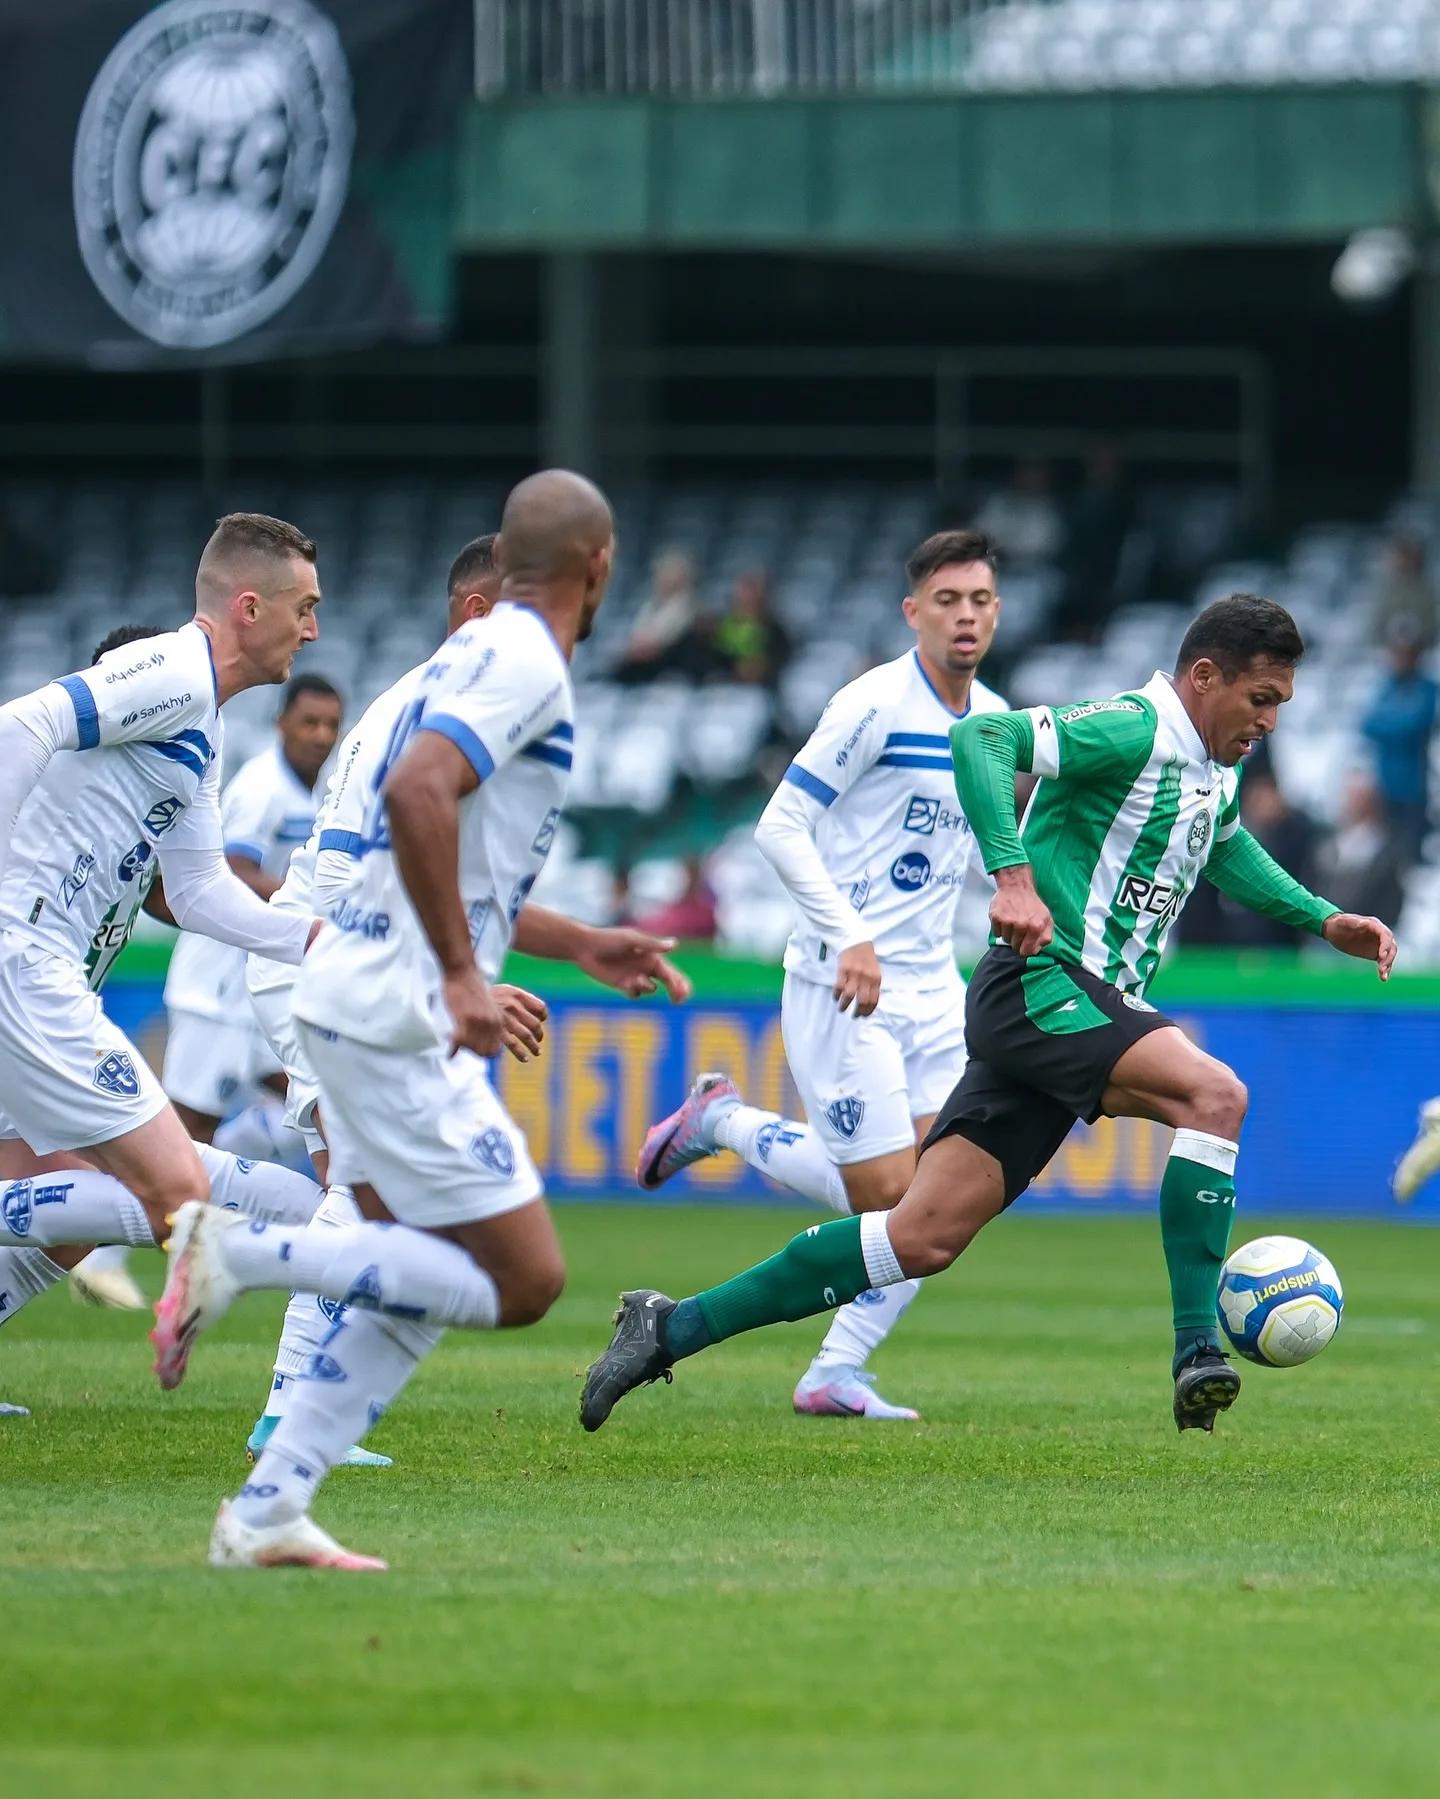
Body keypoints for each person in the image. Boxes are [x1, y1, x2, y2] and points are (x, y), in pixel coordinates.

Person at [579, 594, 1396, 1439]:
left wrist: (1319, 917)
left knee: (915, 1238)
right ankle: (1197, 1348)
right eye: (1261, 699)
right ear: (1204, 676)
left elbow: (1222, 842)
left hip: (1070, 1007)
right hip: (1047, 984)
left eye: (1281, 705)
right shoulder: (1132, 726)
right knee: (1215, 1095)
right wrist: (1011, 875)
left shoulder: (1209, 771)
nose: (1269, 721)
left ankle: (666, 1327)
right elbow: (983, 738)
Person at [149, 472, 687, 1572]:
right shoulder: (527, 656)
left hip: (352, 991)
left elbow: (443, 839)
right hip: (396, 1009)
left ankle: (268, 1504)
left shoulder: (466, 657)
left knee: (407, 1246)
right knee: (523, 1278)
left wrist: (580, 942)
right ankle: (239, 1253)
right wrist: (457, 975)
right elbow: (419, 798)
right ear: (599, 565)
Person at [633, 529, 1007, 1419]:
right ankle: (720, 1117)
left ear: (998, 612)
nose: (966, 616)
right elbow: (778, 827)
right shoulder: (872, 704)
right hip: (843, 983)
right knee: (891, 1196)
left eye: (981, 600)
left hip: (934, 989)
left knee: (948, 1197)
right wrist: (850, 936)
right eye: (947, 601)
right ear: (914, 612)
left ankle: (835, 1371)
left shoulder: (994, 722)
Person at [0, 517, 343, 1307]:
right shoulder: (175, 668)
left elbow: (197, 892)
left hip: (43, 976)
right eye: (305, 608)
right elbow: (24, 724)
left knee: (106, 1205)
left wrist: (316, 940)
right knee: (178, 1181)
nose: (314, 629)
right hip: (27, 961)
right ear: (250, 608)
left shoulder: (206, 724)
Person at [161, 674, 342, 1147]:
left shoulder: (313, 792)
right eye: (309, 723)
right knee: (191, 1133)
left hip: (259, 979)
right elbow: (233, 872)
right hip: (217, 986)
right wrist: (304, 906)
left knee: (318, 1101)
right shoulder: (262, 787)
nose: (321, 735)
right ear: (281, 722)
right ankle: (152, 1215)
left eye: (331, 725)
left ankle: (327, 1205)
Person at [1362, 618, 1437, 869]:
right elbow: (1367, 724)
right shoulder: (1386, 686)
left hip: (1414, 786)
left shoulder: (1428, 689)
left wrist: (1391, 724)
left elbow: (1415, 725)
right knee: (1387, 853)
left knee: (1411, 854)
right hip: (1384, 785)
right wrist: (1397, 723)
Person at [1313, 774, 1405, 928]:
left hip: (1366, 929)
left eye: (1358, 798)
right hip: (1324, 927)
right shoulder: (1328, 844)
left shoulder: (1387, 851)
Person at [614, 549, 701, 683]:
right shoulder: (651, 606)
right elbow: (636, 636)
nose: (662, 579)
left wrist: (645, 647)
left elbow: (664, 642)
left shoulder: (685, 608)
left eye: (668, 575)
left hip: (664, 668)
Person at [973, 459, 1064, 566]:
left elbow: (1048, 544)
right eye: (1026, 473)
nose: (1030, 478)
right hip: (999, 567)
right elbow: (981, 532)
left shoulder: (1049, 509)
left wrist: (1012, 546)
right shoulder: (999, 502)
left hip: (1037, 572)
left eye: (1035, 474)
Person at [708, 572, 790, 688]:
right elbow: (712, 657)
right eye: (743, 595)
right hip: (725, 685)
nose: (747, 600)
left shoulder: (774, 629)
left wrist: (762, 667)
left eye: (751, 595)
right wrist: (734, 668)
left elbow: (781, 659)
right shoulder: (722, 626)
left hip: (761, 689)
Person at [1371, 535, 1437, 651]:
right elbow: (1376, 628)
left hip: (1422, 652)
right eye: (1401, 557)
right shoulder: (1386, 591)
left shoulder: (1428, 590)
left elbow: (1434, 625)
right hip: (1391, 653)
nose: (1404, 562)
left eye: (1408, 557)